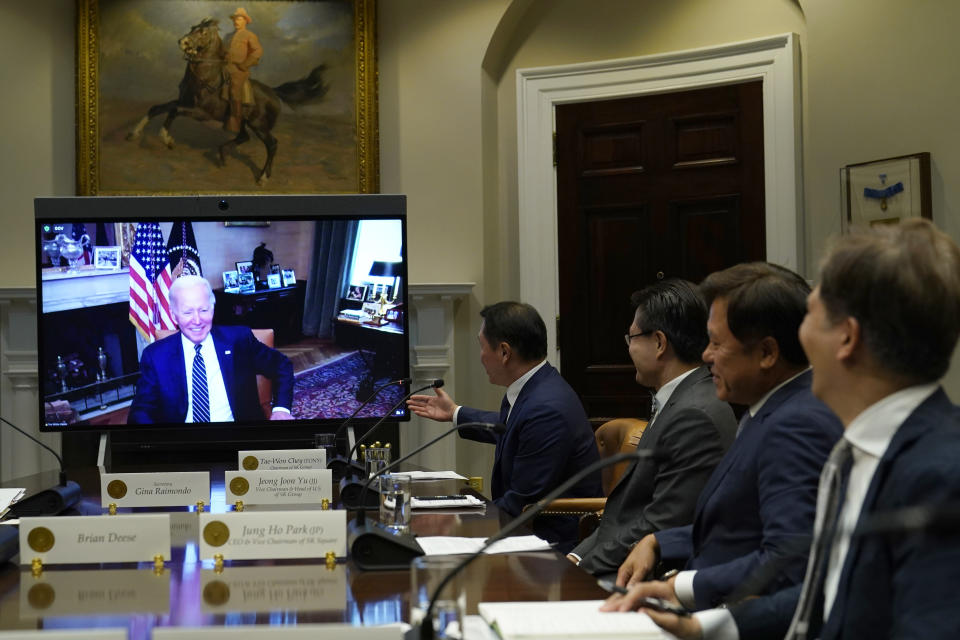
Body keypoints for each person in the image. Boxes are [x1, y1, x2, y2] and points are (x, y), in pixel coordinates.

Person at [623, 219, 960, 640]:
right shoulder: (862, 447)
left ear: (846, 338)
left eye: (810, 318)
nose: (797, 339)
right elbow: (827, 592)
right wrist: (707, 627)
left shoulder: (940, 473)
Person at [605, 263, 843, 610]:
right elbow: (740, 529)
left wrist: (682, 586)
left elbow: (788, 559)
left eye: (716, 343)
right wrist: (659, 541)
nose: (705, 355)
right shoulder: (763, 409)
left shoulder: (797, 425)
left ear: (767, 353)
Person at [567, 280, 738, 575]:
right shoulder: (678, 398)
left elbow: (660, 524)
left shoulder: (694, 415)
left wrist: (577, 574)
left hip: (645, 577)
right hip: (620, 562)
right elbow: (621, 516)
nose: (629, 348)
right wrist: (575, 558)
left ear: (659, 342)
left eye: (631, 338)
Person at [407, 301, 601, 551]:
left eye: (481, 346)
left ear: (504, 352)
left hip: (551, 544)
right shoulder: (536, 387)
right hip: (528, 530)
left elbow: (521, 502)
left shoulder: (546, 409)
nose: (480, 356)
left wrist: (453, 523)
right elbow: (510, 426)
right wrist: (455, 413)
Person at [128, 275, 293, 424]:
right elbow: (141, 411)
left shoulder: (239, 340)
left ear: (212, 309)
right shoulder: (156, 356)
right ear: (173, 314)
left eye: (204, 310)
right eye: (187, 312)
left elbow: (282, 365)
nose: (197, 320)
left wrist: (281, 410)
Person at [224, 7, 263, 133]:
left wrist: (245, 64)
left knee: (235, 90)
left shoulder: (249, 35)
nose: (236, 22)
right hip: (225, 67)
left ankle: (235, 122)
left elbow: (258, 51)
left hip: (239, 70)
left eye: (239, 19)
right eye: (235, 19)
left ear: (245, 21)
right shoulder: (228, 36)